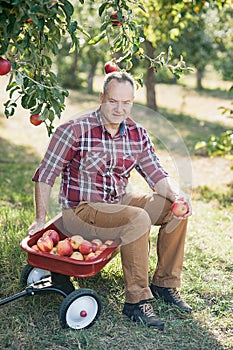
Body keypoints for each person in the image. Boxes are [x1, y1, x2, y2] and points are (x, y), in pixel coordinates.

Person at [28, 71, 192, 330]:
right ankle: (136, 301)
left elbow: (157, 174)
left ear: (132, 102)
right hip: (81, 211)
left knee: (173, 209)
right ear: (102, 98)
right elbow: (45, 175)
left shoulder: (137, 134)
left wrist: (177, 195)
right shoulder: (74, 130)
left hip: (115, 203)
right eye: (114, 101)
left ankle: (164, 284)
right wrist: (39, 221)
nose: (120, 108)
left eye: (126, 103)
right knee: (137, 218)